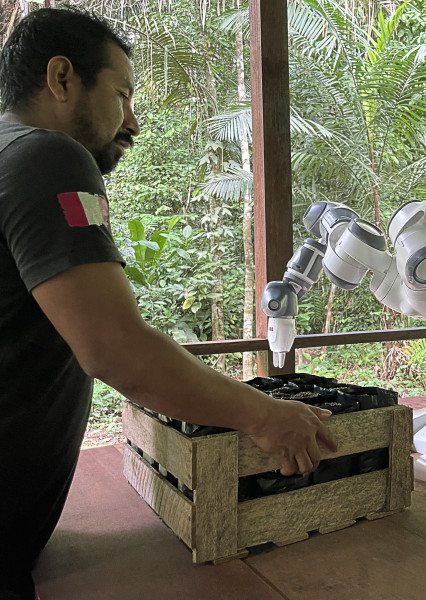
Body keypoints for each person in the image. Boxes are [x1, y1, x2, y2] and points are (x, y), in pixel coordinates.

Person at [0, 7, 337, 598]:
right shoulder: (46, 156)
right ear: (62, 78)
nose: (132, 122)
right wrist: (265, 416)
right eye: (122, 95)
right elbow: (114, 348)